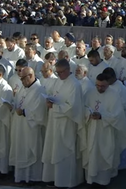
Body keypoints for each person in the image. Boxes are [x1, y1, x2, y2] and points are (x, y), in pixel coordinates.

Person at [42, 59, 84, 188]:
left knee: (64, 151)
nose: (58, 74)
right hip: (54, 121)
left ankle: (66, 181)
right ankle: (52, 178)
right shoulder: (58, 81)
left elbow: (72, 107)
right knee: (52, 149)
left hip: (66, 123)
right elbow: (55, 95)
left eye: (60, 72)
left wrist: (54, 107)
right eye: (57, 72)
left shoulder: (74, 85)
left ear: (67, 70)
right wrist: (50, 101)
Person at [82, 73, 126, 186]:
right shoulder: (90, 93)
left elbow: (117, 116)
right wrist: (89, 113)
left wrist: (102, 116)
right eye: (97, 85)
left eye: (103, 86)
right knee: (91, 153)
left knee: (104, 155)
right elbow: (83, 107)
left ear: (108, 84)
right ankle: (90, 179)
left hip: (105, 132)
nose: (99, 88)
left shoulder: (114, 95)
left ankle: (103, 181)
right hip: (91, 129)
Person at [9, 67, 47, 184]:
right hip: (20, 126)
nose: (21, 81)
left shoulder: (39, 90)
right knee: (21, 150)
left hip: (31, 128)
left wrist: (25, 112)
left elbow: (40, 111)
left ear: (30, 76)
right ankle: (21, 177)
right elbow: (18, 102)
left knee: (30, 151)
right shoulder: (23, 88)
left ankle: (33, 178)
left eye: (23, 78)